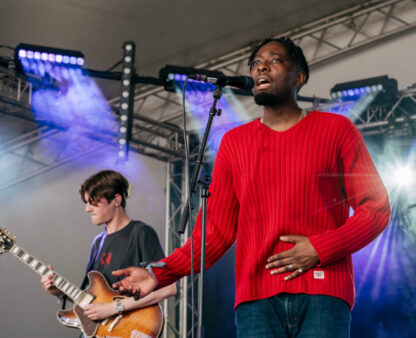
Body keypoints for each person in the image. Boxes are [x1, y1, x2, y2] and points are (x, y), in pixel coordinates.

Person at [113, 37, 391, 337]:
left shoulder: (336, 130)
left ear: (299, 77)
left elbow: (376, 210)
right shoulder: (234, 144)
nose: (262, 66)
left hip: (323, 292)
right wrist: (159, 272)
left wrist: (319, 248)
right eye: (257, 63)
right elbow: (215, 233)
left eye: (275, 60)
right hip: (256, 302)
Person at [40, 170, 176, 327]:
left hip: (129, 329)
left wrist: (114, 308)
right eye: (87, 203)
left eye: (93, 202)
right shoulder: (98, 242)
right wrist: (59, 291)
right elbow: (93, 302)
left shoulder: (141, 232)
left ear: (116, 200)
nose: (88, 209)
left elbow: (168, 288)